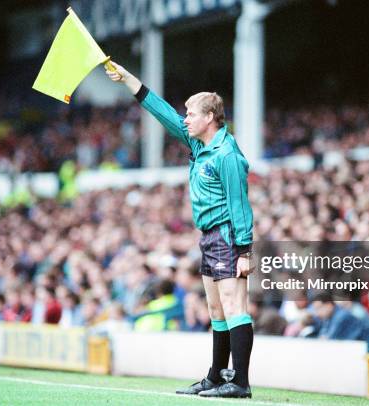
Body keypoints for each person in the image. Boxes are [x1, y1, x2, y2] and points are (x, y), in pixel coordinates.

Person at [106, 62, 255, 398]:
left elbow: (240, 204)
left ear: (210, 118)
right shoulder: (201, 145)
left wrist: (245, 251)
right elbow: (162, 114)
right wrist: (129, 80)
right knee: (216, 310)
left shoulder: (227, 154)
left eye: (190, 113)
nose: (184, 118)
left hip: (228, 236)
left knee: (234, 307)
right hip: (209, 237)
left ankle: (241, 382)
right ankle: (217, 376)